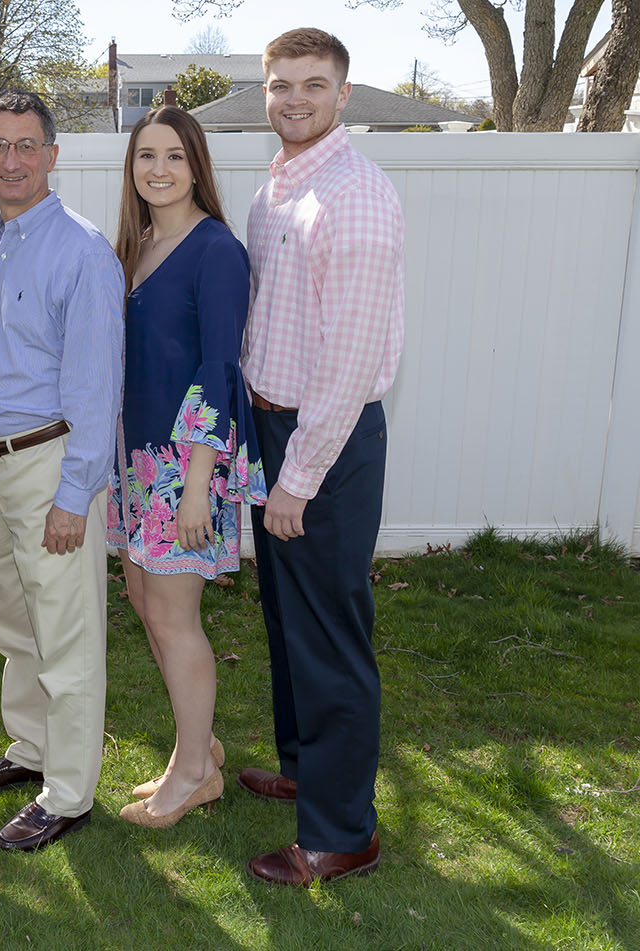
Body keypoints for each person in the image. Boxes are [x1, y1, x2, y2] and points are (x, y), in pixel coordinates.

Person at [239, 29, 405, 886]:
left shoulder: (356, 195)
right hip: (276, 429)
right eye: (281, 84)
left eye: (312, 84)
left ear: (343, 95)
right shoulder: (277, 188)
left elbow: (348, 360)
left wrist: (297, 478)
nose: (294, 98)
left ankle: (343, 833)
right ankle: (308, 768)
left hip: (325, 443)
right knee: (287, 618)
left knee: (332, 635)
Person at [0, 89, 125, 852]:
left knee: (66, 637)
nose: (12, 160)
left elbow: (96, 385)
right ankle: (31, 749)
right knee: (17, 626)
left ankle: (69, 794)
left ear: (53, 155)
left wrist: (74, 495)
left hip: (53, 463)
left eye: (27, 145)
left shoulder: (82, 251)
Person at [106, 106, 265, 829]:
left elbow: (219, 369)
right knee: (147, 604)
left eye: (174, 155)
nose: (159, 169)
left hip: (184, 466)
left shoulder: (216, 250)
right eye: (147, 155)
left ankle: (195, 774)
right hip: (137, 462)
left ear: (196, 165)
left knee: (175, 620)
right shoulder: (136, 246)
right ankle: (195, 749)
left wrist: (198, 485)